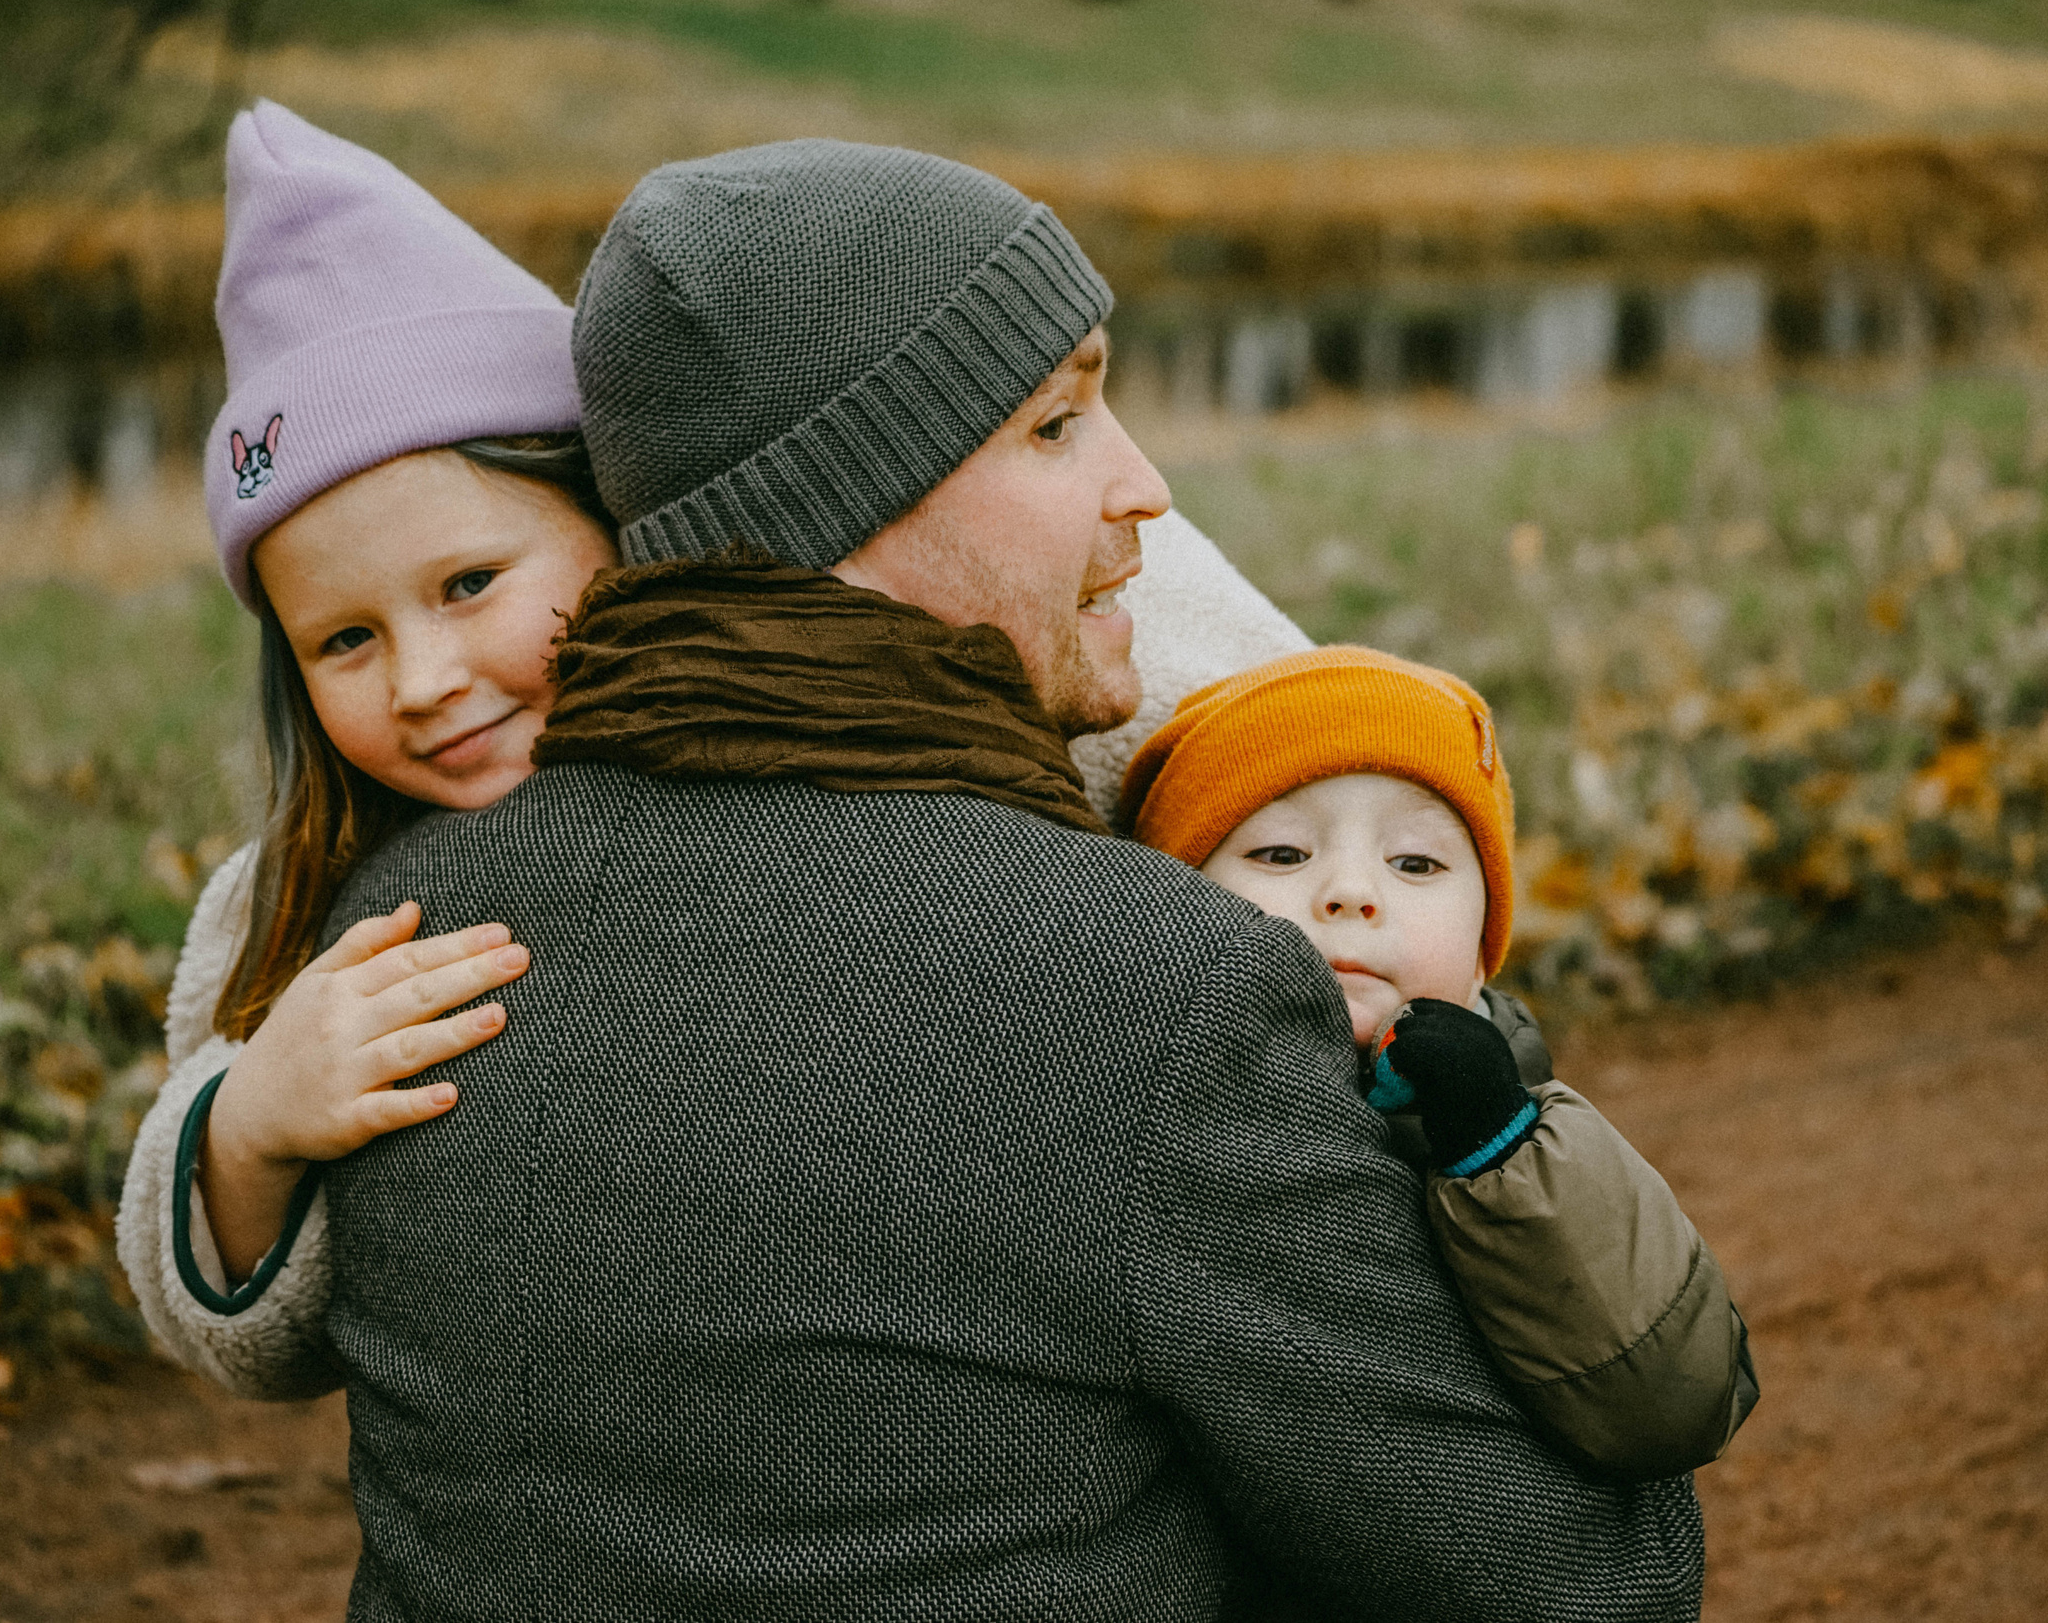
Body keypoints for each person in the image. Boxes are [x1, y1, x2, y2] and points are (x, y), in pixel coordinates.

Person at [282, 138, 1705, 1620]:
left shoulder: (396, 950)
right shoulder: (1148, 988)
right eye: (1058, 421)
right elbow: (1580, 1581)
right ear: (857, 499)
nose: (1141, 484)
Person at [118, 108, 1309, 1395]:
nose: (422, 683)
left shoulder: (888, 664)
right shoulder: (313, 899)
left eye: (468, 584)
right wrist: (240, 1138)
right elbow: (248, 1341)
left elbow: (1224, 704)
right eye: (343, 640)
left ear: (619, 520)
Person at [1118, 645, 1758, 1480]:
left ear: (1483, 954)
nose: (1350, 891)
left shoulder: (1523, 1126)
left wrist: (1499, 1152)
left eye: (1415, 862)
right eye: (1281, 854)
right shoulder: (1134, 1103)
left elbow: (1677, 1398)